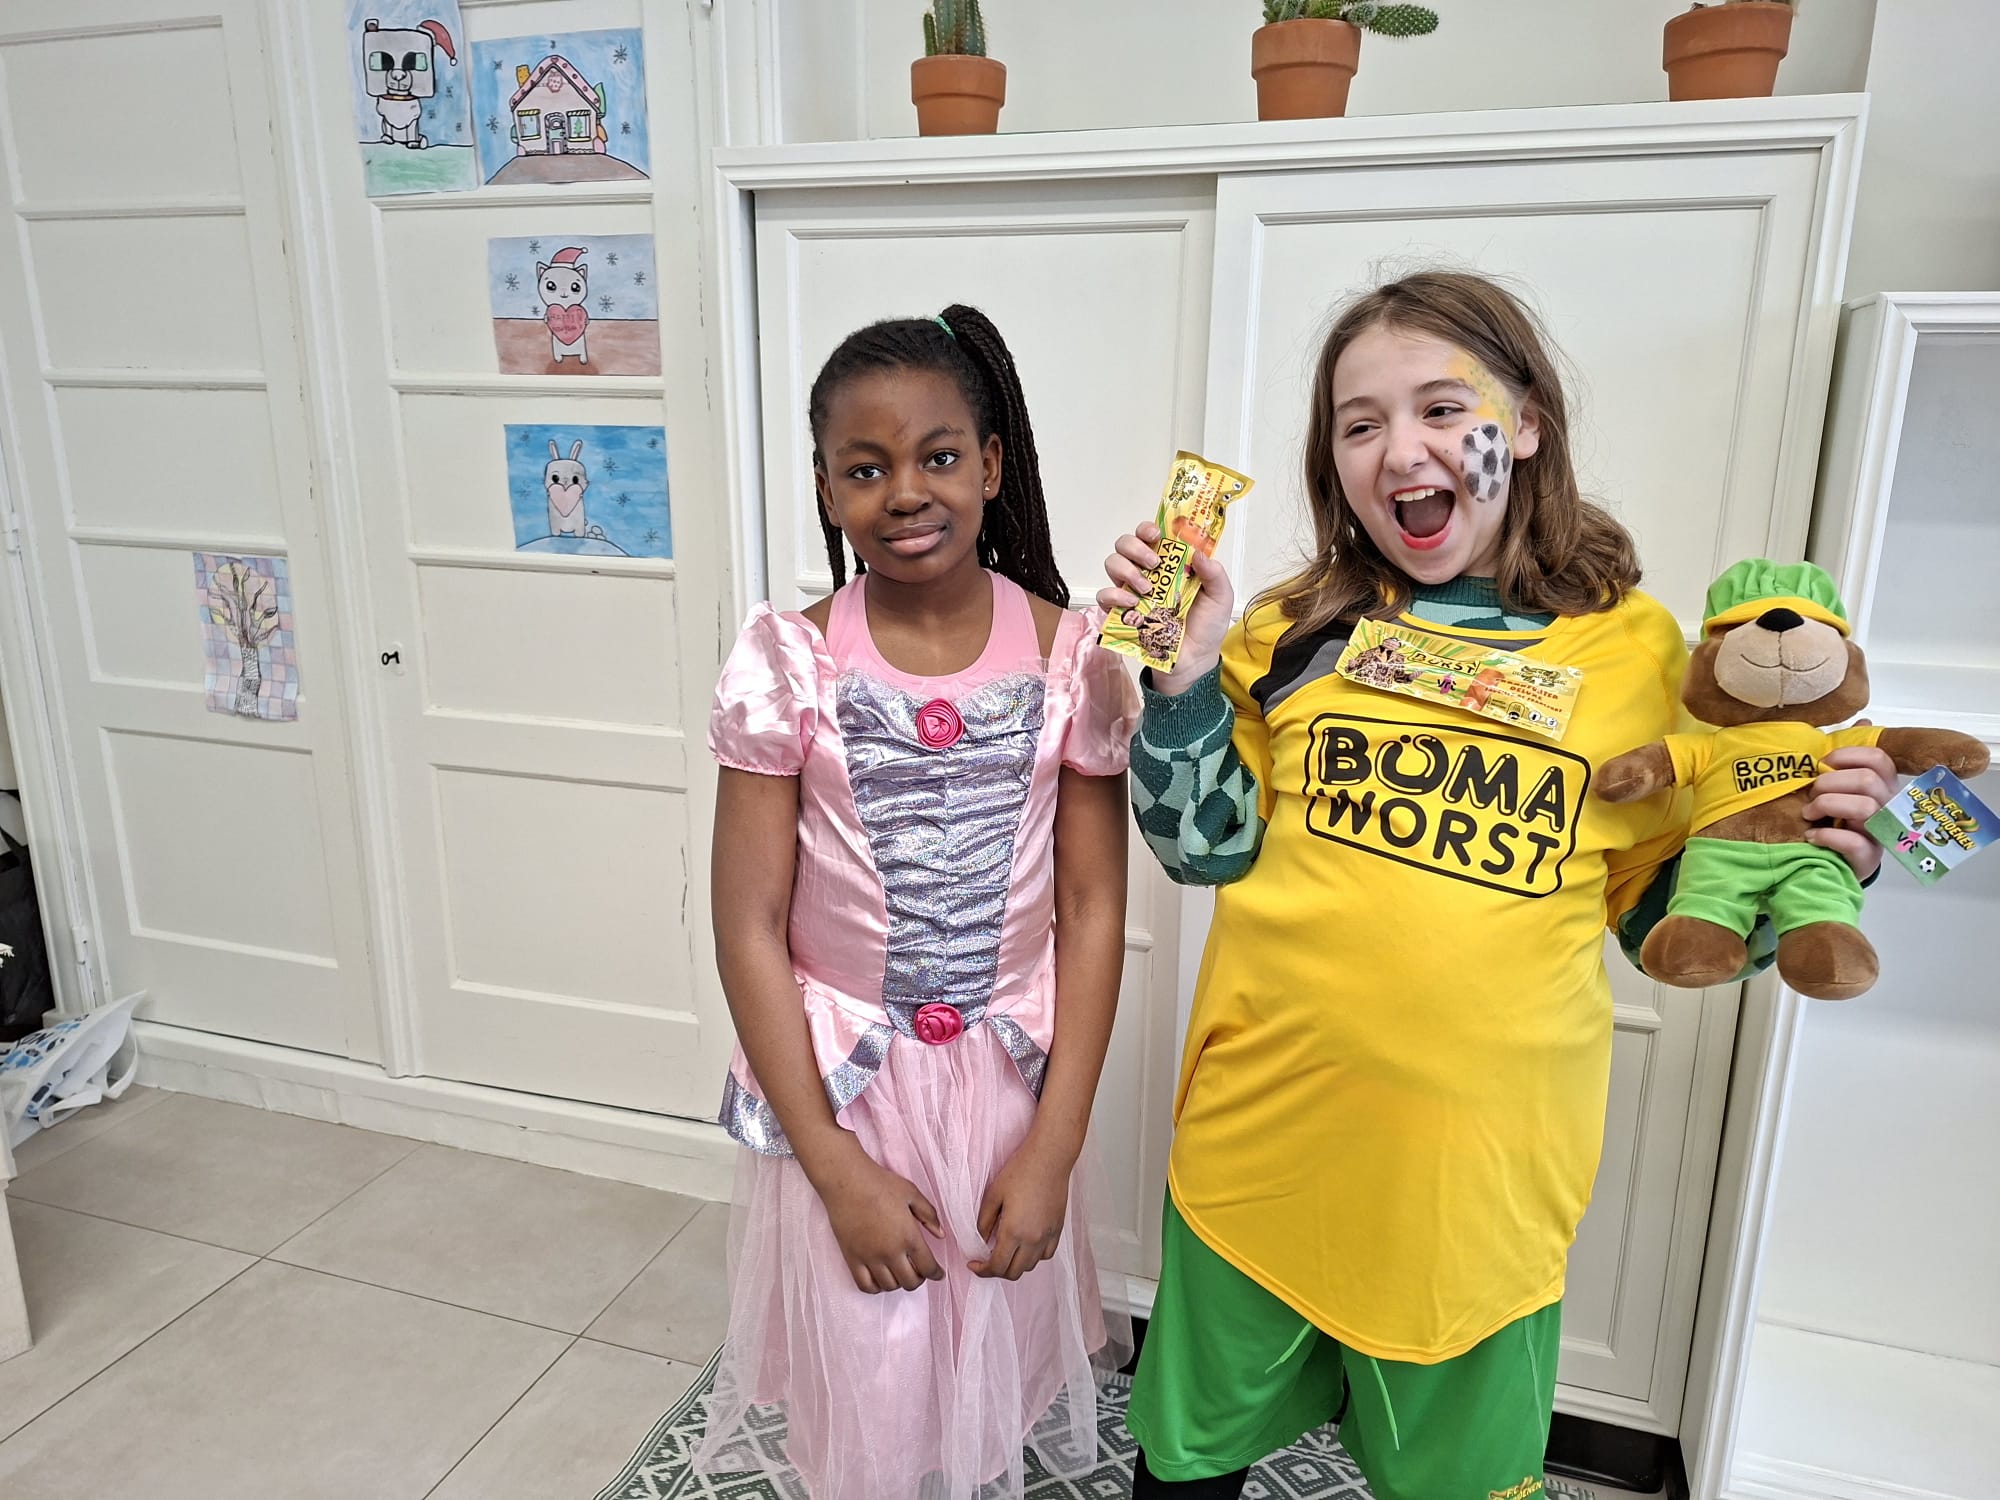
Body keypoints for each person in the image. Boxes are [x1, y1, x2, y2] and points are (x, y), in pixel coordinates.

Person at [1100, 271, 1898, 1500]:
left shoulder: (1641, 656)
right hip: (1258, 1162)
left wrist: (1805, 863)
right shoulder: (1288, 629)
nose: (1397, 450)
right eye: (1357, 424)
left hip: (1479, 1199)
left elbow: (1656, 919)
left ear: (1523, 423)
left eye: (1438, 408)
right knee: (1187, 1463)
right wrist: (1183, 678)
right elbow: (1201, 849)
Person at [697, 304, 1139, 1500]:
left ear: (989, 465)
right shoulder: (788, 662)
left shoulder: (1071, 657)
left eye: (937, 456)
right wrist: (832, 1165)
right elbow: (746, 925)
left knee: (982, 1366)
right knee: (871, 1381)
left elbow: (1094, 909)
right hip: (844, 1096)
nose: (904, 492)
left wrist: (1054, 1146)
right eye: (864, 468)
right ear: (825, 488)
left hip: (1008, 1094)